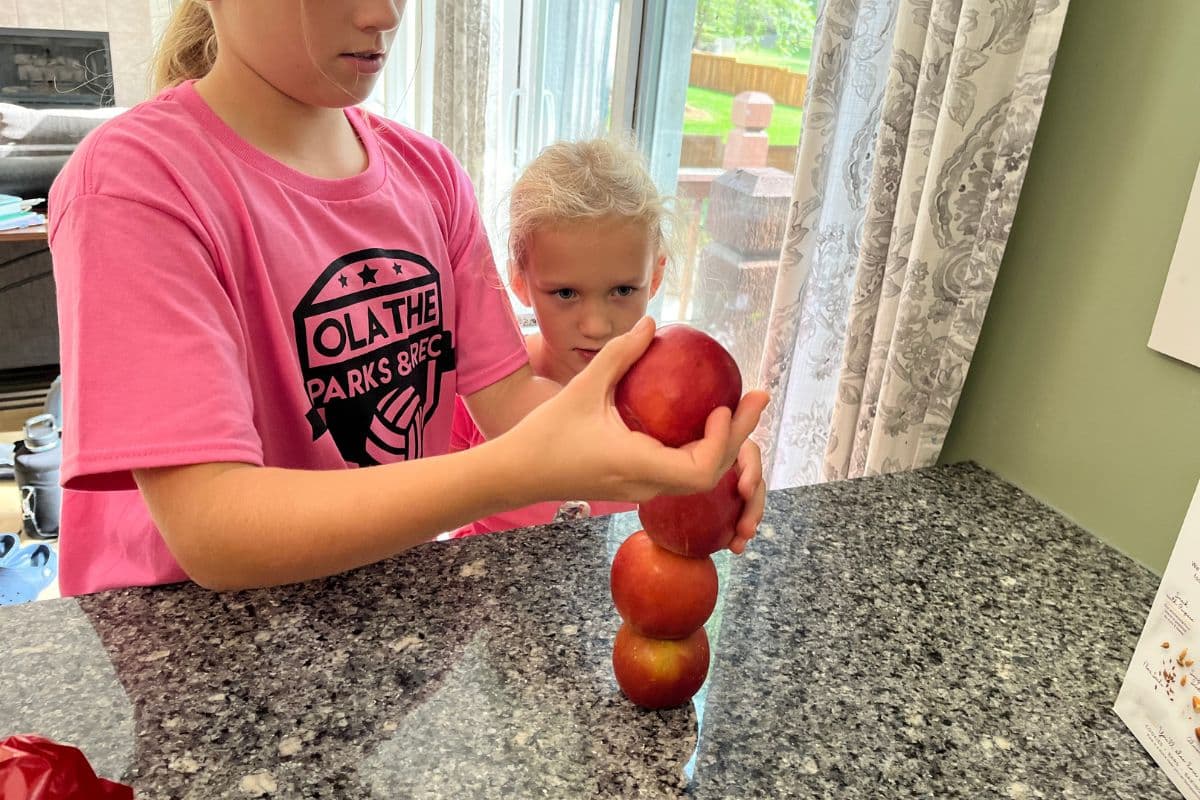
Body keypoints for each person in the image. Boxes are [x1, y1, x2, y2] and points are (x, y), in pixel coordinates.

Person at [47, 0, 769, 595]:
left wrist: (678, 453)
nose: (386, 13)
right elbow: (214, 531)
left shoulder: (430, 176)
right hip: (192, 650)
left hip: (382, 607)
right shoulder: (135, 184)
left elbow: (511, 400)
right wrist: (512, 474)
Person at [449, 138, 763, 550]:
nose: (596, 326)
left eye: (621, 290)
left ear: (655, 276)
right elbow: (428, 496)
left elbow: (700, 480)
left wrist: (727, 469)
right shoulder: (484, 391)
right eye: (565, 294)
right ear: (520, 281)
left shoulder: (668, 399)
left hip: (611, 589)